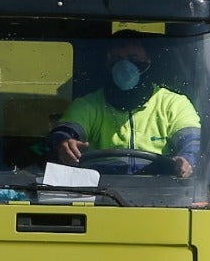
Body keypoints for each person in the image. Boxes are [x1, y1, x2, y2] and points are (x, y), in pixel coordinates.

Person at [47, 31, 201, 176]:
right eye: (116, 59)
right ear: (108, 64)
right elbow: (66, 131)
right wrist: (64, 143)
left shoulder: (174, 104)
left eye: (133, 58)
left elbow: (192, 141)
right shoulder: (88, 105)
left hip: (162, 193)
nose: (124, 65)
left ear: (148, 61)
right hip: (100, 192)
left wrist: (186, 159)